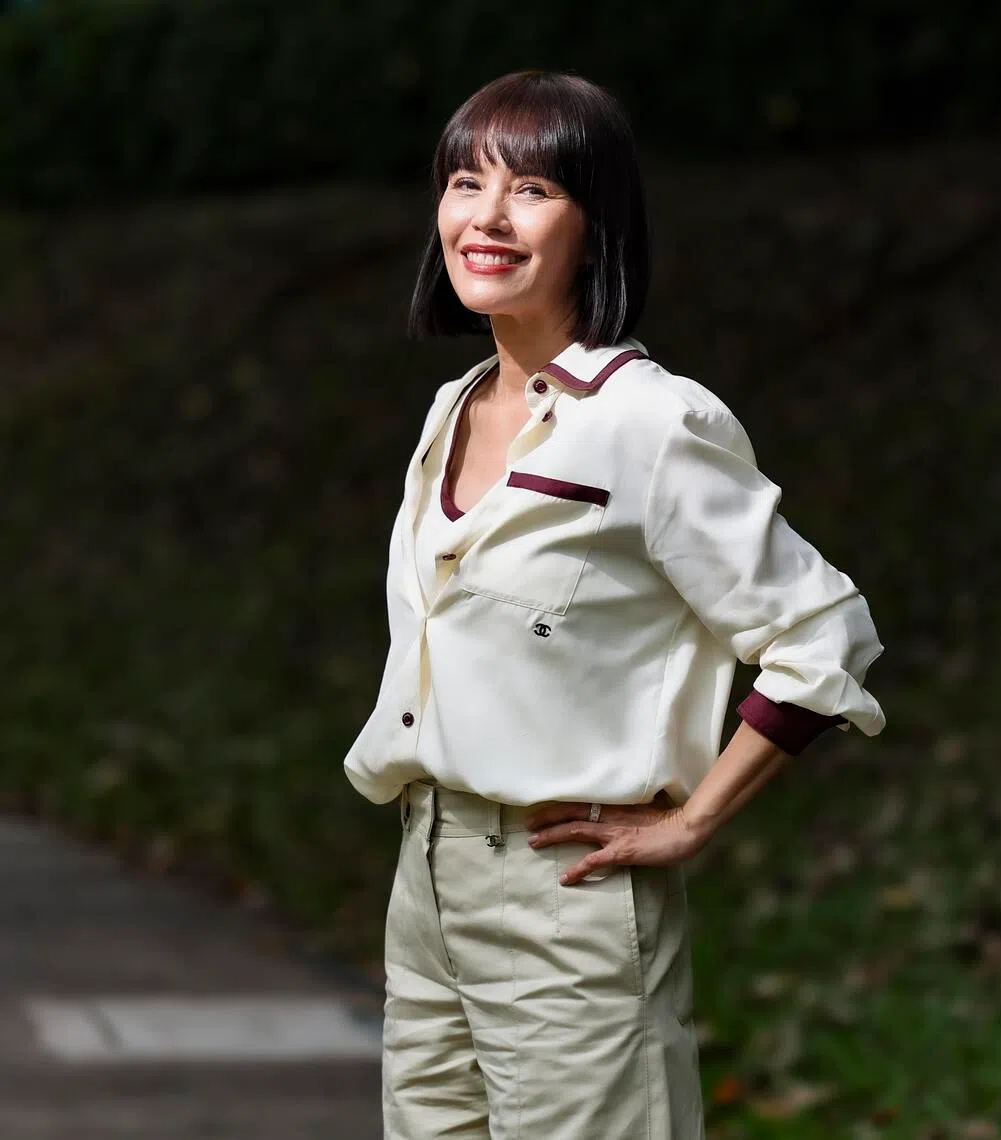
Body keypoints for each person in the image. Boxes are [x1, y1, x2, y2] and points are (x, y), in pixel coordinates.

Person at [343, 69, 885, 1139]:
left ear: (596, 228)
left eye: (532, 189)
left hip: (563, 896)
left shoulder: (651, 422)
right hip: (427, 880)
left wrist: (691, 822)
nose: (485, 218)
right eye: (464, 183)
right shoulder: (452, 410)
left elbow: (823, 633)